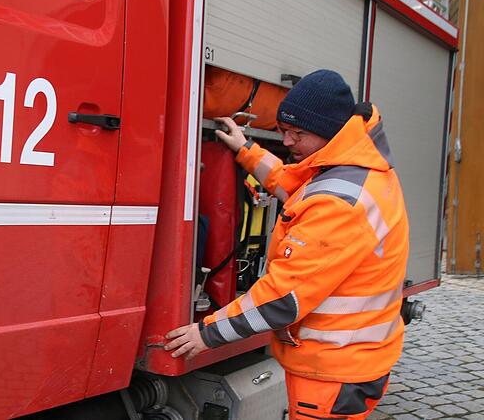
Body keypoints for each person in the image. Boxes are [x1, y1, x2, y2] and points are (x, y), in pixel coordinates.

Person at [164, 70, 409, 420]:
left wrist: (208, 333)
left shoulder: (339, 204)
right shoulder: (355, 169)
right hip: (348, 360)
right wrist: (247, 151)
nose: (288, 141)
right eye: (283, 130)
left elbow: (283, 298)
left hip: (331, 371)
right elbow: (295, 187)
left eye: (298, 134)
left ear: (330, 134)